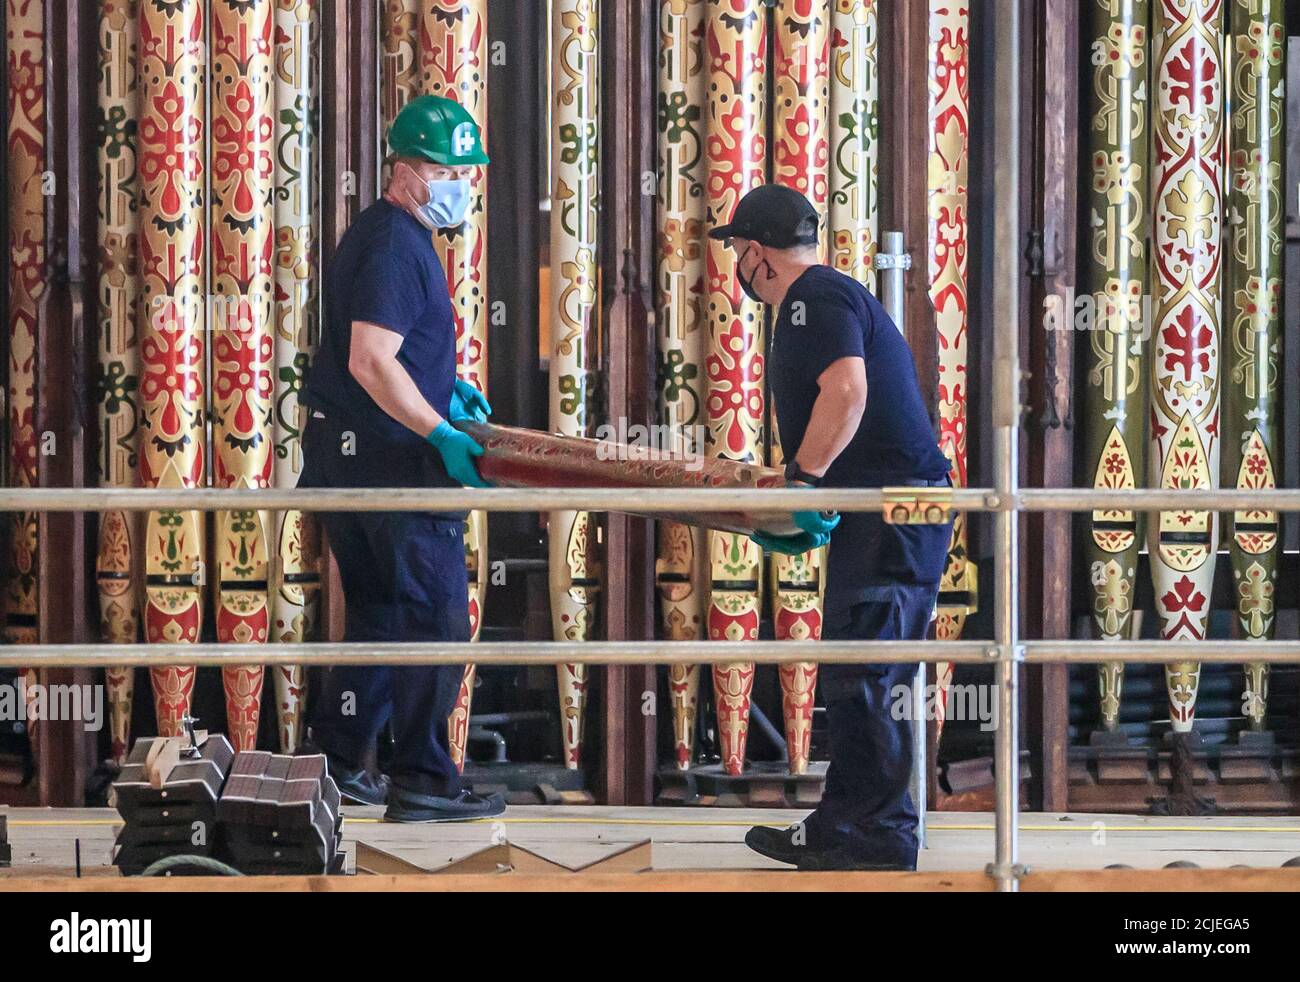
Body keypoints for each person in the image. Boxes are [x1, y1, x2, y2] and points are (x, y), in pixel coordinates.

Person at [709, 184, 953, 870]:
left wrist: (803, 485)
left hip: (893, 511)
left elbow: (846, 389)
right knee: (858, 673)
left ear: (754, 253)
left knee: (870, 675)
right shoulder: (826, 295)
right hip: (883, 510)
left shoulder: (812, 299)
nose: (737, 268)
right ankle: (841, 827)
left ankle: (878, 837)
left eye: (736, 252)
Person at [298, 95, 503, 823]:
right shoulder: (395, 244)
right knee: (435, 614)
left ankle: (342, 761)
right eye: (455, 172)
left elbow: (387, 352)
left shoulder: (387, 237)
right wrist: (439, 430)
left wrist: (446, 388)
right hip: (389, 463)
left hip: (349, 458)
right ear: (413, 171)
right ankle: (423, 780)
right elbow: (370, 359)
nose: (464, 187)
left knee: (382, 616)